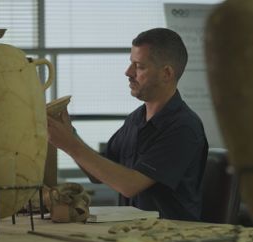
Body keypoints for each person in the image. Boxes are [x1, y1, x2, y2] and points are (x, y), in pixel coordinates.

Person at [47, 28, 208, 221]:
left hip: (170, 238)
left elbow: (129, 185)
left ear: (166, 73)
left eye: (139, 66)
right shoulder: (136, 119)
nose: (128, 72)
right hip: (133, 232)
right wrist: (69, 133)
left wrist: (70, 144)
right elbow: (98, 174)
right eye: (131, 63)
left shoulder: (184, 128)